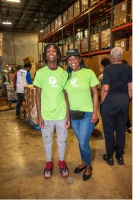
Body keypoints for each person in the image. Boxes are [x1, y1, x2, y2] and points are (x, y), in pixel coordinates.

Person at [33, 43, 70, 179]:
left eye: (54, 50)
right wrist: (39, 115)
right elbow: (37, 95)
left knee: (62, 141)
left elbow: (67, 95)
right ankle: (49, 162)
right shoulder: (40, 73)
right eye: (48, 50)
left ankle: (61, 162)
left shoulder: (64, 73)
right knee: (47, 141)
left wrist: (67, 115)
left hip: (61, 115)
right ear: (46, 55)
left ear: (58, 55)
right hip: (46, 115)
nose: (51, 52)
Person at [64, 49, 99, 181]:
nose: (72, 61)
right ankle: (84, 162)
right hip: (73, 115)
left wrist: (95, 112)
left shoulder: (88, 73)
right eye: (69, 59)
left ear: (79, 59)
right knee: (81, 141)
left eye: (74, 58)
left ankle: (89, 166)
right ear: (67, 62)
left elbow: (95, 93)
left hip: (87, 114)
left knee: (84, 142)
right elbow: (66, 98)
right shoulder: (67, 76)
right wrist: (67, 116)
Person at [100, 47, 132, 166]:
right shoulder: (129, 68)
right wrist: (125, 100)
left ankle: (109, 157)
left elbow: (105, 88)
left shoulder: (108, 68)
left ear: (111, 57)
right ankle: (119, 156)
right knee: (121, 129)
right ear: (121, 56)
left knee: (109, 130)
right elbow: (131, 89)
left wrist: (102, 103)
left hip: (110, 102)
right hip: (123, 102)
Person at [121, 59, 132, 131]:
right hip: (128, 94)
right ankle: (127, 124)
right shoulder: (129, 69)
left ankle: (127, 124)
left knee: (123, 110)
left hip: (124, 94)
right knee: (125, 110)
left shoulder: (124, 71)